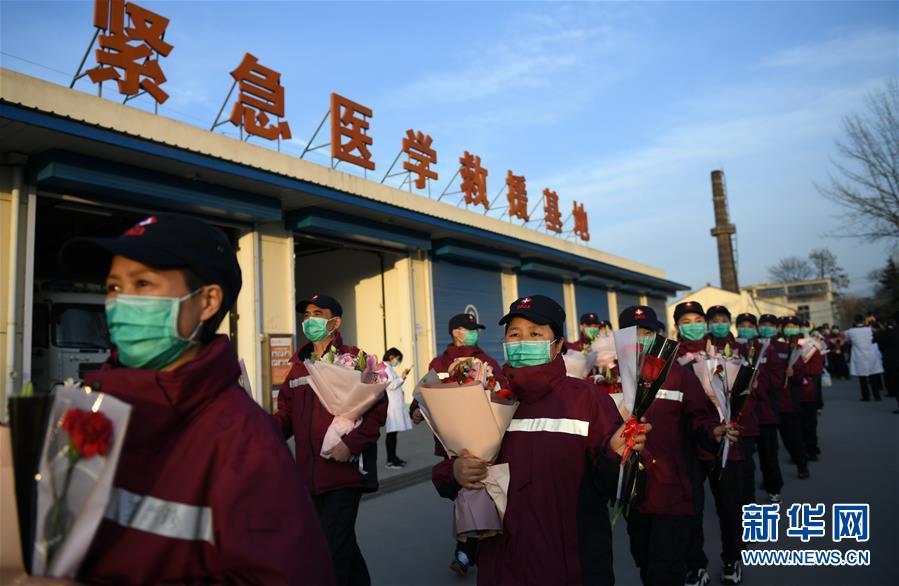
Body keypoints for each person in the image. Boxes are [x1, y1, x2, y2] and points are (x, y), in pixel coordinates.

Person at [62, 214, 334, 585]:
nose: (120, 300)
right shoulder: (91, 410)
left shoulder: (244, 442)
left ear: (207, 301)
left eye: (142, 283)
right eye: (113, 286)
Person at [432, 296, 649, 586]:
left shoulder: (587, 400)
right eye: (514, 334)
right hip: (501, 565)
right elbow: (449, 465)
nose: (523, 341)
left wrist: (615, 455)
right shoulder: (488, 397)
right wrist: (455, 472)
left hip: (571, 567)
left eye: (535, 334)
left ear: (557, 345)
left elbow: (622, 488)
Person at [274, 294, 387, 586]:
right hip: (308, 476)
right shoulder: (298, 366)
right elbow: (285, 414)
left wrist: (352, 444)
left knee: (330, 550)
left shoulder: (356, 359)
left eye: (317, 314)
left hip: (343, 474)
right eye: (306, 315)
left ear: (335, 322)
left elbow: (377, 409)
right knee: (341, 544)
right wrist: (263, 431)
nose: (309, 320)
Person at [410, 311, 508, 577]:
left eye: (476, 329)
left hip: (485, 440)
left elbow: (502, 391)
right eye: (469, 329)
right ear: (456, 332)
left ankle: (468, 550)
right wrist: (416, 410)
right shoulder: (439, 363)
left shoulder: (485, 360)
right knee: (461, 493)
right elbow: (425, 392)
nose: (475, 333)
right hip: (451, 444)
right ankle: (469, 547)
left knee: (480, 491)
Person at [674, 302, 745, 586]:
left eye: (697, 320)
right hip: (688, 443)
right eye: (686, 321)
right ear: (677, 326)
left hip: (723, 439)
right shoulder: (671, 356)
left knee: (729, 506)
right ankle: (696, 565)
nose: (692, 325)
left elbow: (745, 392)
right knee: (691, 509)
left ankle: (732, 559)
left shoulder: (725, 352)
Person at [752, 314, 786, 504]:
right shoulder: (746, 347)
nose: (765, 327)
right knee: (745, 459)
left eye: (770, 325)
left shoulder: (772, 349)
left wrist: (758, 383)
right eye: (762, 324)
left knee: (768, 453)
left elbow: (777, 380)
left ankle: (774, 488)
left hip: (766, 411)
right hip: (745, 414)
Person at [778, 316, 811, 480]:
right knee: (783, 437)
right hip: (774, 400)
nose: (790, 328)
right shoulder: (776, 346)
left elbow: (802, 374)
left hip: (790, 399)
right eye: (787, 326)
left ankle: (802, 465)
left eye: (793, 326)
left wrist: (794, 374)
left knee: (794, 436)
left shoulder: (800, 347)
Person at [383, 347, 413, 469]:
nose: (398, 362)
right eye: (397, 359)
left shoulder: (389, 368)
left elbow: (395, 383)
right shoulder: (385, 369)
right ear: (391, 357)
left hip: (395, 405)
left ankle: (394, 457)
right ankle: (390, 461)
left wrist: (402, 377)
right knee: (391, 433)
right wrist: (402, 377)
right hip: (392, 406)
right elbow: (391, 385)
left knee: (393, 433)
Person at [845, 314, 885, 401]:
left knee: (862, 378)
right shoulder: (870, 329)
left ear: (854, 321)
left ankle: (866, 396)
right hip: (871, 354)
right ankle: (877, 396)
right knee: (873, 375)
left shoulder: (850, 331)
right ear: (863, 320)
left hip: (859, 355)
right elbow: (876, 336)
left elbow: (848, 341)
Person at [873, 315, 899, 413]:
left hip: (893, 362)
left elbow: (875, 340)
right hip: (893, 361)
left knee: (896, 384)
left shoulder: (887, 333)